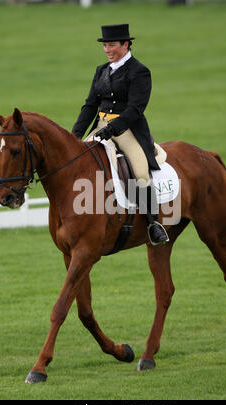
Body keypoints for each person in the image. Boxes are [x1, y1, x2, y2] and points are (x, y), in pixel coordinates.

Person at [72, 24, 169, 246]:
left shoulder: (139, 71)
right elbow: (90, 106)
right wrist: (75, 134)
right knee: (76, 159)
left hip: (128, 130)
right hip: (101, 126)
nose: (107, 49)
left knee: (141, 171)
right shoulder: (101, 70)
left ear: (125, 45)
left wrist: (112, 129)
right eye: (105, 45)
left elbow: (136, 109)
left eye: (112, 45)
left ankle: (154, 224)